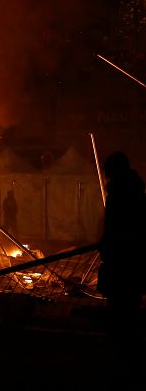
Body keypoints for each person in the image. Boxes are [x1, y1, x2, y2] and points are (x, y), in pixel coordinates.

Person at [98, 151, 146, 370]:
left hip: (121, 263)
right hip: (134, 264)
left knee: (119, 314)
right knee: (130, 311)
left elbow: (113, 229)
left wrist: (107, 247)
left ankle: (122, 364)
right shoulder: (138, 193)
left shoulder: (118, 195)